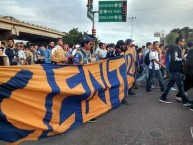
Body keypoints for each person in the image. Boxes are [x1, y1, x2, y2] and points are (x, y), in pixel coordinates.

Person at [159, 36, 190, 106]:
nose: (184, 43)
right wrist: (183, 59)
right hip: (176, 70)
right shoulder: (176, 47)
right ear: (179, 42)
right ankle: (185, 101)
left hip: (173, 70)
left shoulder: (173, 47)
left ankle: (162, 97)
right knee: (181, 86)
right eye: (183, 41)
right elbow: (174, 59)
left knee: (169, 85)